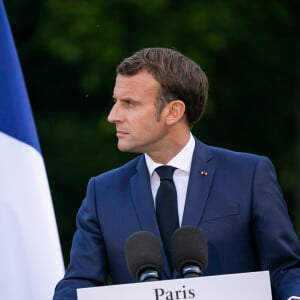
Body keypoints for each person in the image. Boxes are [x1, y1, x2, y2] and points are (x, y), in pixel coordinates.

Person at [53, 47, 300, 300]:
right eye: (116, 101)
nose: (112, 116)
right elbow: (80, 282)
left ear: (173, 112)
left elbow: (286, 269)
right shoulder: (101, 191)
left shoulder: (249, 175)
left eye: (129, 103)